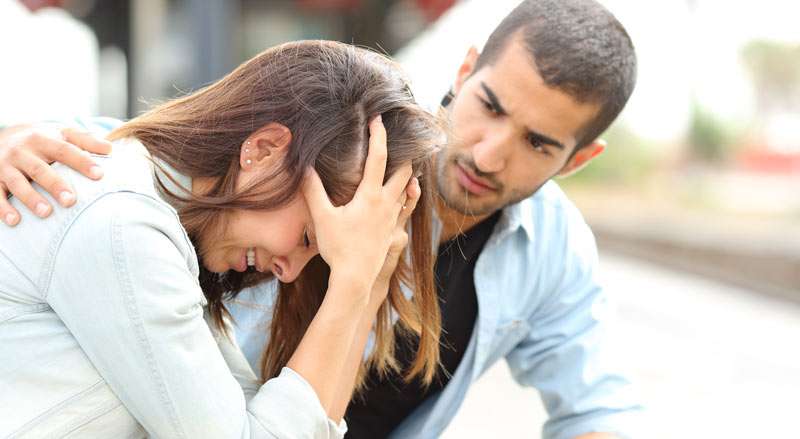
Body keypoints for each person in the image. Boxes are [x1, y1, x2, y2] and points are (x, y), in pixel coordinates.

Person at [0, 1, 644, 438]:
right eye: (491, 107)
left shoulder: (553, 250)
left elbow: (597, 409)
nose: (487, 152)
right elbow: (156, 156)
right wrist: (7, 138)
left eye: (538, 143)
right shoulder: (348, 146)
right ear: (466, 67)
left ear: (578, 159)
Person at [0, 40, 445, 438]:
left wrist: (367, 284)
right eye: (308, 235)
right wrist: (350, 283)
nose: (287, 271)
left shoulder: (171, 240)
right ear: (265, 150)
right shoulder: (121, 227)